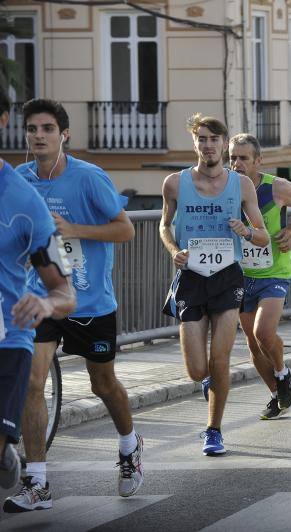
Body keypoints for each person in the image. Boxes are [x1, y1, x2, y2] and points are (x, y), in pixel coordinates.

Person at [6, 98, 140, 513]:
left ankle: (128, 445)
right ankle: (38, 482)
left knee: (103, 384)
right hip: (42, 299)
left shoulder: (88, 177)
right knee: (32, 382)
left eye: (47, 129)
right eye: (32, 129)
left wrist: (72, 229)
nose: (38, 136)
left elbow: (126, 229)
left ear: (64, 134)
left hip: (90, 301)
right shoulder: (20, 181)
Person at [160, 114, 268, 454]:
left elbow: (263, 236)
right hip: (191, 277)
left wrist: (246, 231)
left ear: (224, 144)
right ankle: (209, 382)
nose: (208, 145)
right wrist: (174, 249)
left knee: (220, 360)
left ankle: (213, 430)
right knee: (196, 369)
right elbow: (164, 226)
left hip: (227, 277)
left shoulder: (242, 185)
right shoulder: (175, 183)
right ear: (195, 143)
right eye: (202, 139)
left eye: (214, 139)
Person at [0, 89, 75, 496]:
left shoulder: (25, 202)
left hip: (7, 339)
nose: (40, 134)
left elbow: (65, 293)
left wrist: (45, 302)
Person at [229, 133, 291, 419]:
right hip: (240, 275)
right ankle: (276, 394)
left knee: (262, 332)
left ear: (257, 161)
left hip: (274, 272)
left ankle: (283, 372)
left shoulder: (276, 188)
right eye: (233, 158)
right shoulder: (225, 189)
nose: (237, 164)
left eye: (243, 158)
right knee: (253, 345)